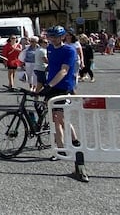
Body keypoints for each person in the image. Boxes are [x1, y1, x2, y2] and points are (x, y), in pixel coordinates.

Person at [39, 25, 80, 160]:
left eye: (55, 37)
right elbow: (52, 65)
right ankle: (68, 143)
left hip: (63, 86)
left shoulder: (69, 50)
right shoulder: (50, 48)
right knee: (56, 118)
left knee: (59, 118)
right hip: (52, 84)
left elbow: (64, 70)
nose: (52, 39)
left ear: (63, 37)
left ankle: (61, 149)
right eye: (50, 37)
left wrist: (49, 85)